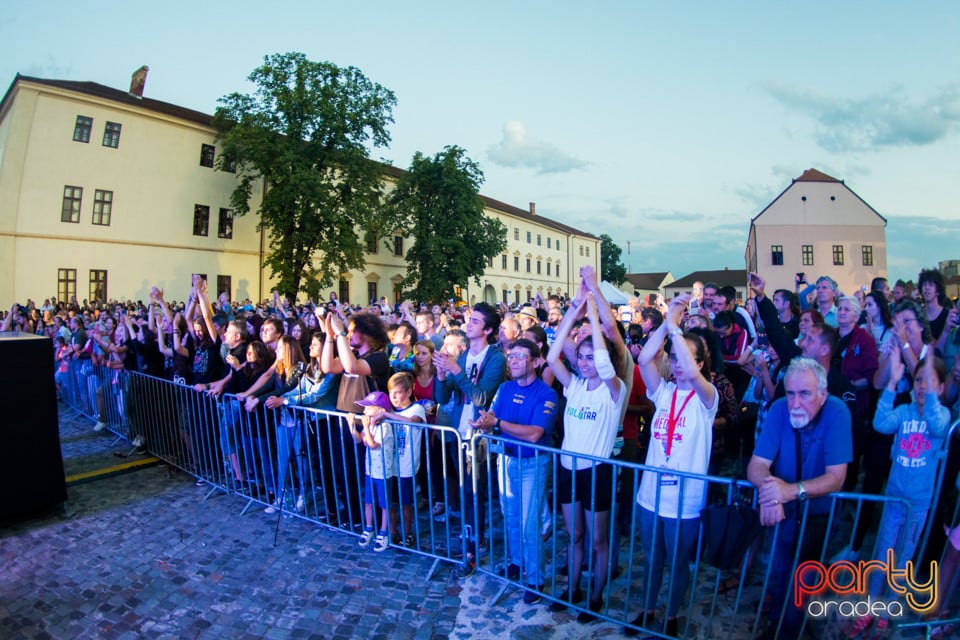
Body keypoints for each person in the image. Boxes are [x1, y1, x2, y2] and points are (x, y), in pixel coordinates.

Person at [626, 294, 717, 638]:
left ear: (699, 364)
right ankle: (648, 608)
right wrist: (667, 324)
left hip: (686, 498)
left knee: (678, 561)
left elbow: (692, 374)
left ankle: (673, 612)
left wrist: (677, 332)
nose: (678, 365)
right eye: (675, 360)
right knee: (652, 558)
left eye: (685, 360)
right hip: (651, 492)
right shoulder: (663, 392)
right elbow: (646, 356)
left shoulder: (706, 397)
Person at [846, 348, 950, 638]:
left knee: (903, 559)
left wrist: (929, 397)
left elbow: (938, 426)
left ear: (941, 388)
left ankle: (888, 608)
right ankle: (870, 606)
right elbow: (880, 424)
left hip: (918, 504)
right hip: (894, 498)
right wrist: (892, 384)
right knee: (883, 553)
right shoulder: (903, 412)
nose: (923, 387)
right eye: (918, 381)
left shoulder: (942, 415)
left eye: (930, 382)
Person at [747, 358, 852, 640]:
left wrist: (788, 492)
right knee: (780, 572)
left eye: (804, 394)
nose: (795, 402)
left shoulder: (838, 412)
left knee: (802, 580)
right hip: (786, 512)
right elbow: (756, 465)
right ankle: (778, 625)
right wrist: (773, 496)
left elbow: (836, 478)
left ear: (823, 394)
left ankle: (788, 631)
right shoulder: (779, 409)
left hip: (820, 514)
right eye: (790, 392)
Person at [546, 292, 626, 623]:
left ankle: (595, 595)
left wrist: (592, 313)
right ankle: (574, 588)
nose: (584, 362)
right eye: (581, 357)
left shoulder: (614, 390)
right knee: (574, 535)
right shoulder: (574, 386)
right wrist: (571, 314)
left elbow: (606, 365)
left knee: (597, 540)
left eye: (591, 357)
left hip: (597, 472)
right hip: (568, 469)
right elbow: (552, 359)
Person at [469, 338, 558, 605]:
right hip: (506, 460)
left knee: (530, 523)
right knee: (510, 515)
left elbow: (534, 434)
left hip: (532, 463)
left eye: (520, 356)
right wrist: (484, 423)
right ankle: (517, 562)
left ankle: (536, 578)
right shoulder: (505, 388)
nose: (514, 361)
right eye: (511, 356)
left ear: (535, 361)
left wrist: (497, 423)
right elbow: (492, 416)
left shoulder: (546, 394)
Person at [434, 302, 506, 555]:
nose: (469, 323)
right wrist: (441, 376)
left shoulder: (495, 358)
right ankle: (469, 533)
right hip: (459, 429)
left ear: (487, 330)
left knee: (475, 488)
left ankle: (477, 538)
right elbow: (443, 398)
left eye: (475, 321)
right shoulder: (463, 357)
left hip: (480, 433)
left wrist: (455, 370)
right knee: (465, 487)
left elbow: (481, 398)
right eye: (470, 319)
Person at [322, 311, 391, 528]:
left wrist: (341, 332)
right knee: (345, 471)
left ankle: (375, 521)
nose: (350, 334)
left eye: (354, 331)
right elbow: (328, 367)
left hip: (367, 425)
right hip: (344, 420)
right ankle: (353, 515)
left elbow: (352, 368)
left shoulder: (379, 357)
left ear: (367, 333)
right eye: (349, 331)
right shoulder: (351, 353)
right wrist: (330, 337)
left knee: (367, 474)